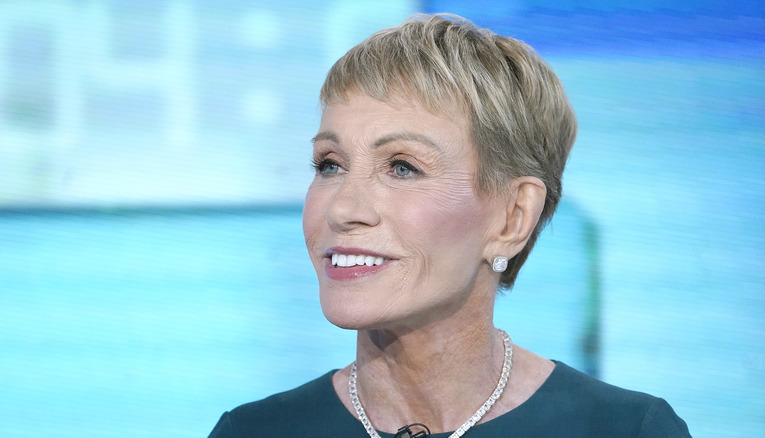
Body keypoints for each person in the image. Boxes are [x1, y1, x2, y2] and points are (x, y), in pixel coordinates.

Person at [208, 13, 691, 438]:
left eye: (402, 167)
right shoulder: (252, 432)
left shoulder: (626, 429)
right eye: (330, 164)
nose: (341, 209)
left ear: (513, 217)